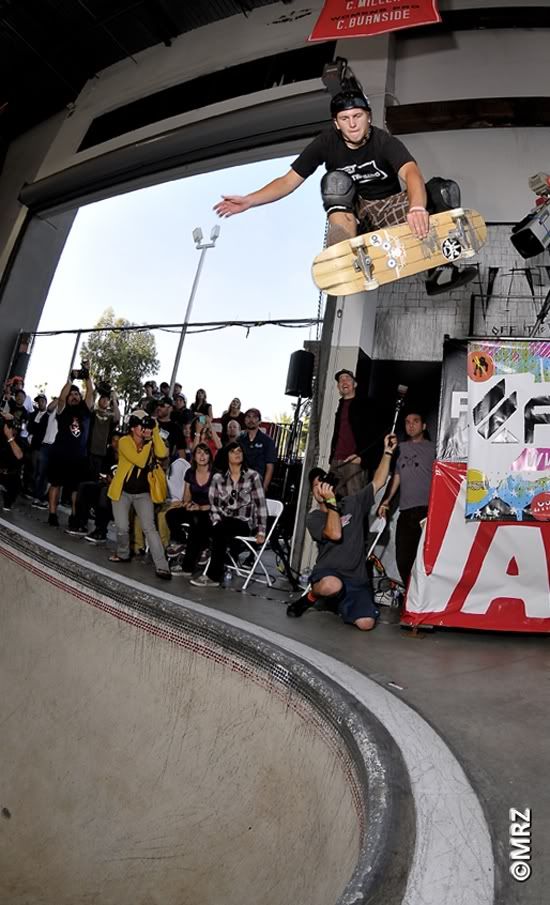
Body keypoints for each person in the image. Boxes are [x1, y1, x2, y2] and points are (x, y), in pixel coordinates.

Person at [214, 91, 476, 295]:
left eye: (357, 116)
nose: (352, 124)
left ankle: (440, 268)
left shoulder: (384, 141)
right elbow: (288, 181)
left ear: (368, 117)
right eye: (344, 119)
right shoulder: (325, 143)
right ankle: (344, 251)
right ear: (336, 123)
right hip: (359, 216)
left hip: (391, 208)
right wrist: (249, 200)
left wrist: (417, 207)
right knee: (335, 181)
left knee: (444, 189)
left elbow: (411, 173)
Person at [287, 433, 397, 629]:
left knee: (366, 623)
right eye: (316, 487)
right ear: (313, 493)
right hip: (329, 573)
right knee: (332, 585)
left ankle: (341, 604)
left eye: (323, 484)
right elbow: (335, 534)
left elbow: (378, 482)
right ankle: (311, 597)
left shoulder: (352, 503)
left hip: (356, 578)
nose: (321, 489)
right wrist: (331, 503)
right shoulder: (314, 517)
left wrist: (387, 452)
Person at [190, 442, 267, 588]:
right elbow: (214, 506)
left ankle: (213, 576)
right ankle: (189, 565)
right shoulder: (218, 478)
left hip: (243, 522)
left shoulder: (253, 476)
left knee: (221, 529)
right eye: (233, 451)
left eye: (239, 451)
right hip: (223, 519)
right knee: (200, 520)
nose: (237, 454)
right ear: (226, 456)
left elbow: (260, 506)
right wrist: (216, 522)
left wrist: (261, 531)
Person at [107, 411, 171, 580]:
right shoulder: (124, 441)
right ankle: (123, 554)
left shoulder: (150, 440)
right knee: (122, 527)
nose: (144, 428)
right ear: (133, 427)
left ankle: (162, 566)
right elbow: (140, 461)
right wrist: (149, 443)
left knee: (150, 528)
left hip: (143, 494)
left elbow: (162, 453)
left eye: (146, 425)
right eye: (141, 425)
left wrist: (155, 431)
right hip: (122, 492)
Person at [377, 411, 435, 588]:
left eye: (415, 421)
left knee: (426, 558)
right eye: (407, 422)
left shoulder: (434, 449)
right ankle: (410, 593)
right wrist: (386, 500)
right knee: (403, 558)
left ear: (423, 426)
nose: (411, 425)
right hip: (406, 511)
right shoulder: (400, 448)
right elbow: (397, 476)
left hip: (426, 512)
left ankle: (423, 595)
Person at [47, 375, 94, 528]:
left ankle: (74, 516)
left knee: (75, 489)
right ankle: (52, 514)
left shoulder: (85, 410)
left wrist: (87, 376)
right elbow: (61, 398)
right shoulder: (63, 410)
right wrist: (70, 380)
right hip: (60, 455)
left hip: (79, 457)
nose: (74, 396)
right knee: (55, 484)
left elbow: (90, 393)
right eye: (71, 394)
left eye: (76, 394)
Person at [165, 443, 213, 576]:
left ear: (210, 456)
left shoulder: (215, 475)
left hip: (210, 510)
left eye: (205, 453)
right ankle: (181, 542)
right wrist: (187, 504)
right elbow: (186, 496)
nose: (202, 456)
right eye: (199, 452)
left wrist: (201, 507)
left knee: (196, 522)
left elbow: (219, 501)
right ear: (194, 456)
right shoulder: (190, 473)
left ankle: (188, 565)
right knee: (171, 514)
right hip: (195, 508)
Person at [329, 368, 378, 497]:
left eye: (348, 379)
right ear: (338, 386)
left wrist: (362, 457)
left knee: (354, 501)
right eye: (341, 380)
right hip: (336, 462)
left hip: (353, 463)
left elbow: (374, 434)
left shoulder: (365, 405)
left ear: (355, 384)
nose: (344, 381)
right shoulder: (340, 406)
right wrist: (332, 458)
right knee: (331, 501)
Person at [237, 408, 277, 492]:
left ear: (259, 421)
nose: (251, 420)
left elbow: (270, 466)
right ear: (245, 420)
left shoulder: (267, 441)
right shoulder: (239, 440)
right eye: (248, 417)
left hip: (257, 483)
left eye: (254, 417)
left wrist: (264, 487)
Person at [88, 389, 120, 478]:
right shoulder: (94, 412)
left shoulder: (110, 415)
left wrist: (114, 399)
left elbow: (117, 418)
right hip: (89, 451)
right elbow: (89, 407)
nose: (105, 400)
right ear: (99, 400)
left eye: (107, 399)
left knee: (96, 479)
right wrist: (94, 393)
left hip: (102, 453)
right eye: (103, 398)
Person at [0, 413, 24, 511]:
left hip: (10, 475)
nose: (10, 429)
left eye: (12, 427)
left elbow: (19, 455)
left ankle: (8, 500)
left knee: (15, 485)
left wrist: (10, 438)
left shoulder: (20, 441)